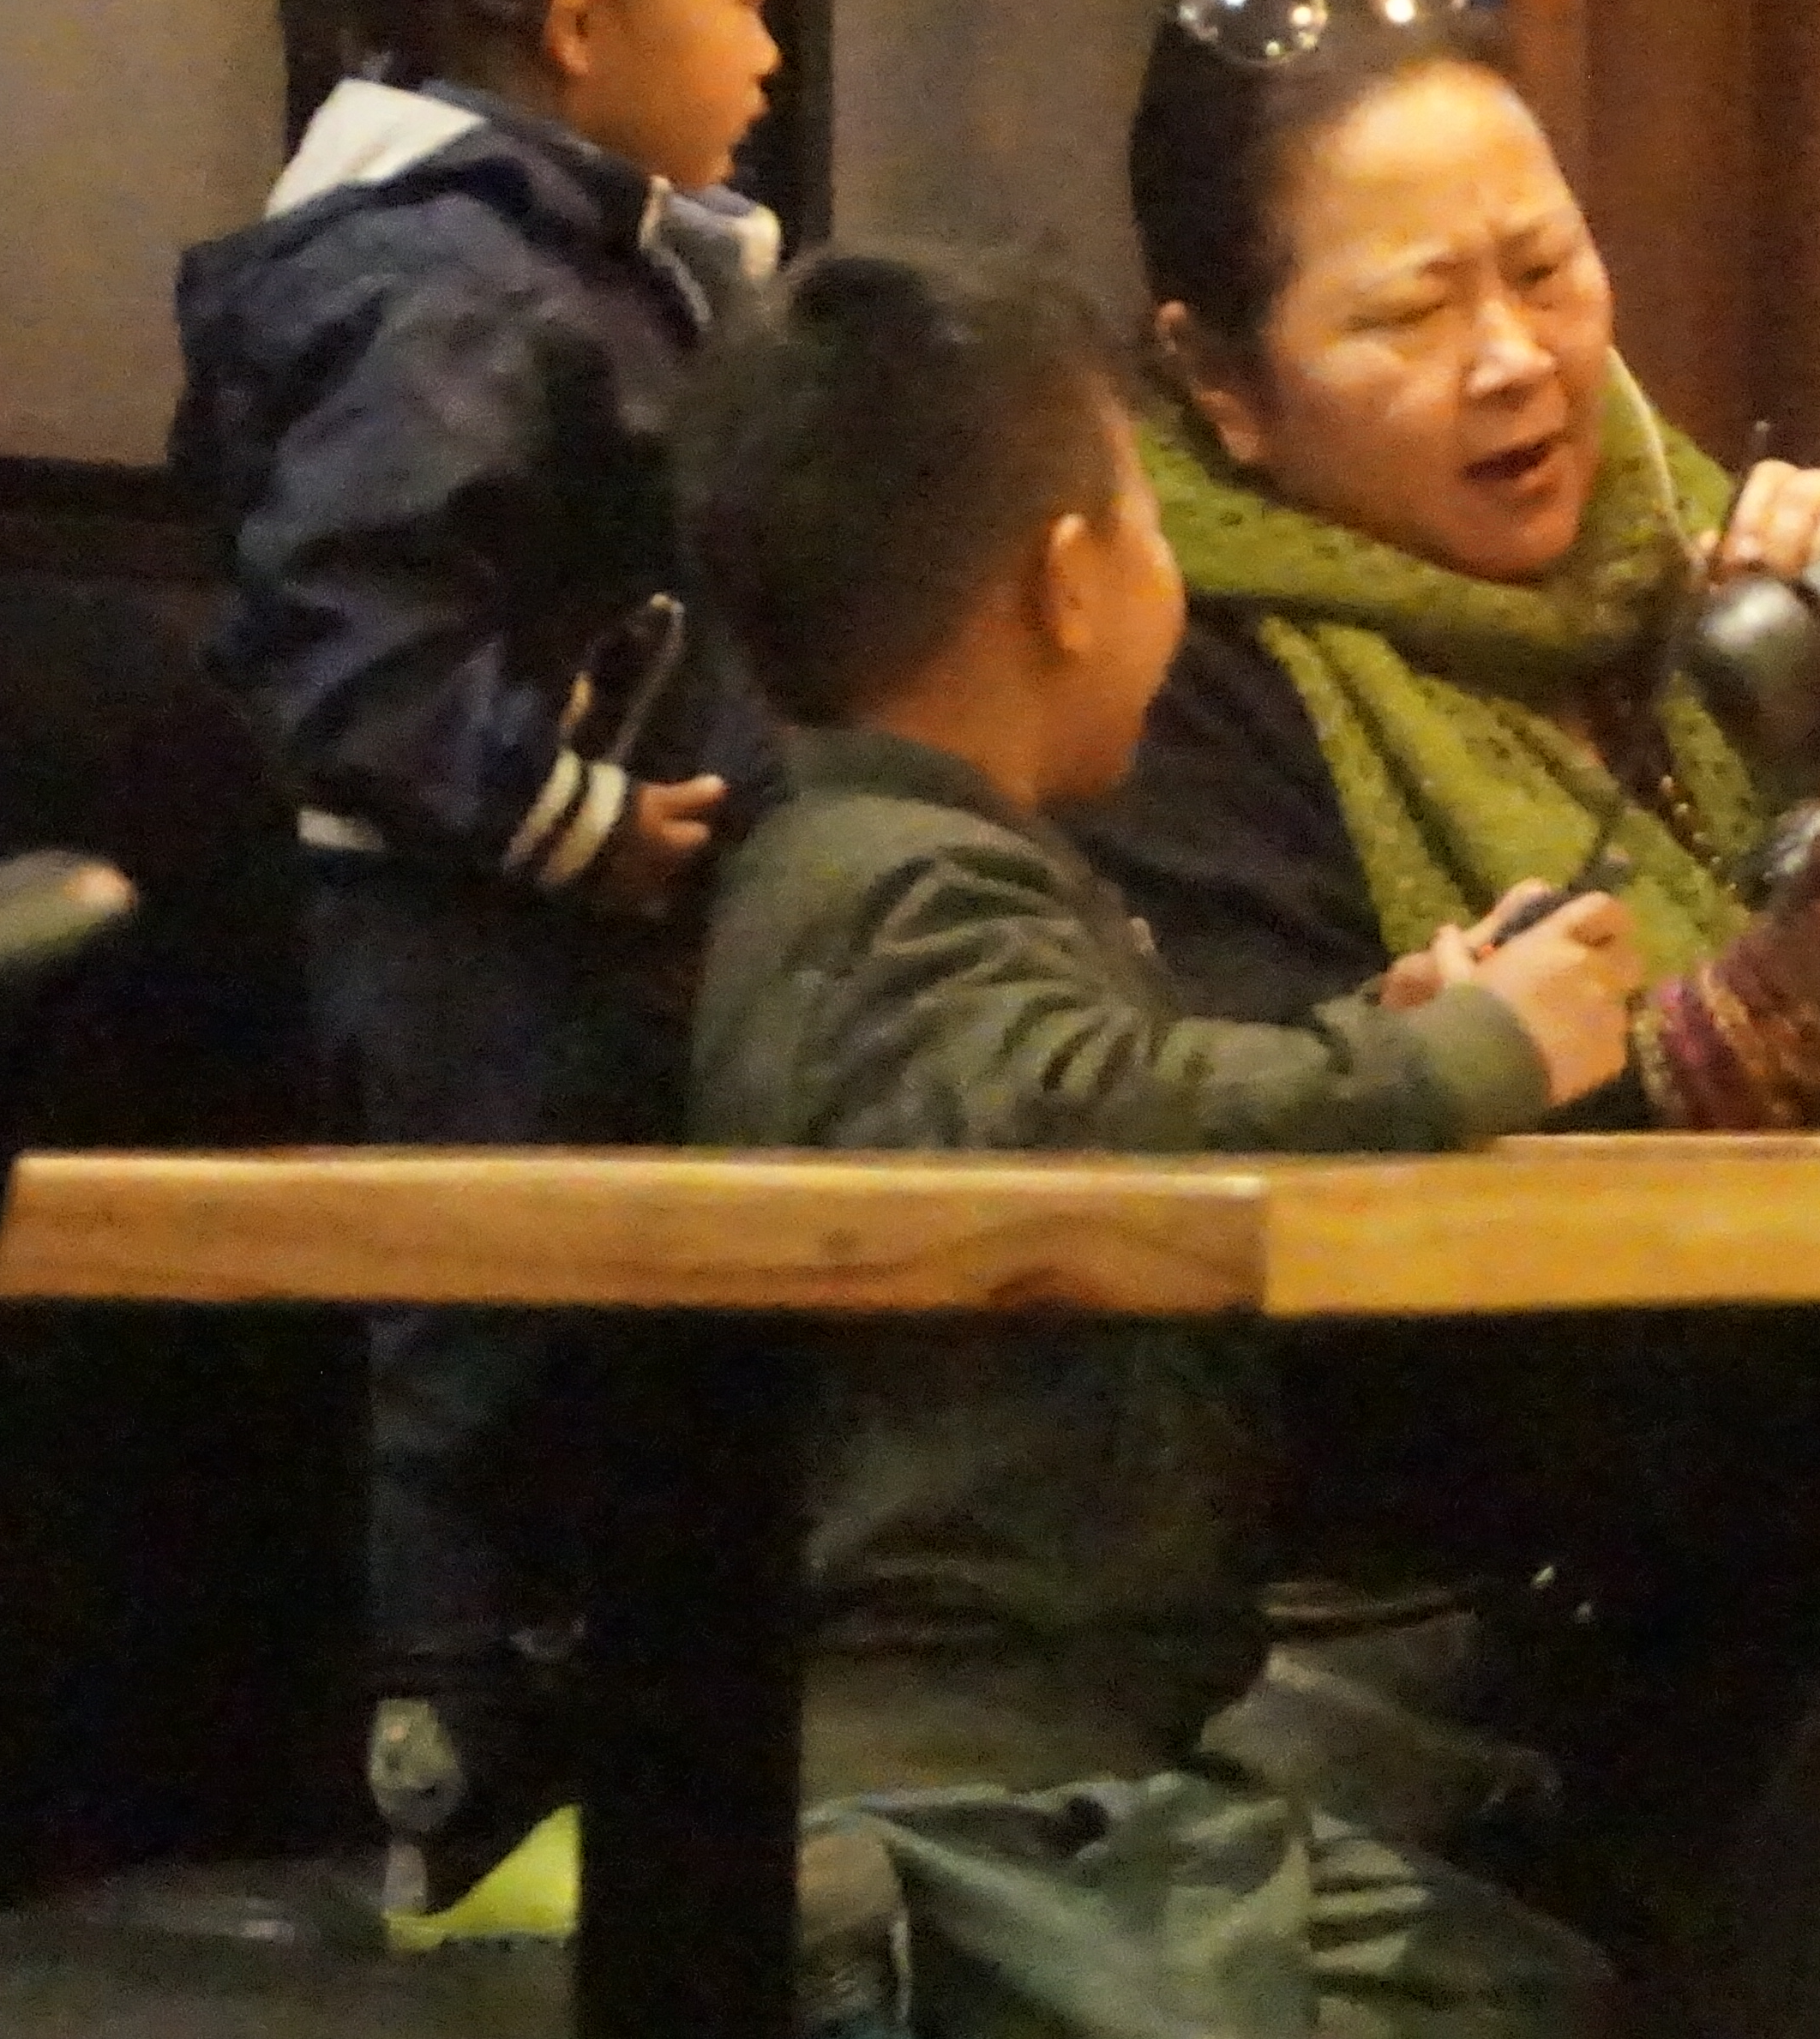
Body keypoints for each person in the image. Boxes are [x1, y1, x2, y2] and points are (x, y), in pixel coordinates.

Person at [1056, 0, 1820, 2002]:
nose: (1517, 356)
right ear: (1221, 382)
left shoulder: (1710, 560)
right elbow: (1319, 1225)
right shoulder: (1170, 683)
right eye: (1413, 311)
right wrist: (1771, 1031)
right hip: (1504, 1616)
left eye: (1546, 267)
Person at [680, 241, 1633, 2039]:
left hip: (1054, 1750)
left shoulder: (892, 864)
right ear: (1067, 584)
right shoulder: (894, 886)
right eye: (1150, 525)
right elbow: (1091, 1122)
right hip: (961, 1801)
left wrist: (1382, 1023)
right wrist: (1446, 1059)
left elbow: (1085, 1080)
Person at [168, 0, 799, 1940]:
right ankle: (453, 1807)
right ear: (584, 18)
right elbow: (351, 646)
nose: (772, 55)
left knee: (607, 1358)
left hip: (580, 928)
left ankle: (607, 1805)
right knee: (482, 1351)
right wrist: (567, 817)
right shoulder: (440, 279)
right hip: (466, 939)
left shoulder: (579, 255)